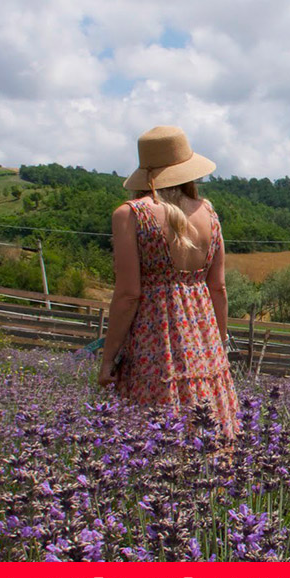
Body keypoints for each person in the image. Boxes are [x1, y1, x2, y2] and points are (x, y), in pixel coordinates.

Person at [98, 125, 239, 439]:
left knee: (153, 444)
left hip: (155, 346)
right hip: (206, 347)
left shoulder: (130, 215)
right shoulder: (210, 213)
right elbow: (218, 288)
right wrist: (219, 344)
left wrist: (108, 359)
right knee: (207, 442)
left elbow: (128, 295)